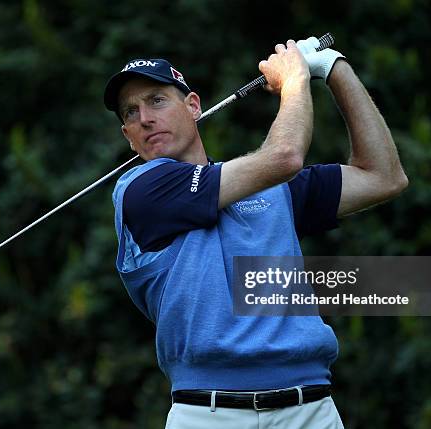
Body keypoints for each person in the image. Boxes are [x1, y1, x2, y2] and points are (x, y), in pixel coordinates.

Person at [103, 38, 408, 429]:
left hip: (309, 409)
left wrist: (333, 68)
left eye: (157, 100)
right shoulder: (141, 191)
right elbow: (284, 158)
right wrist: (295, 79)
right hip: (207, 414)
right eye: (131, 112)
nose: (145, 117)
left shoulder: (269, 190)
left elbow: (383, 177)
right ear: (128, 135)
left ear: (193, 106)